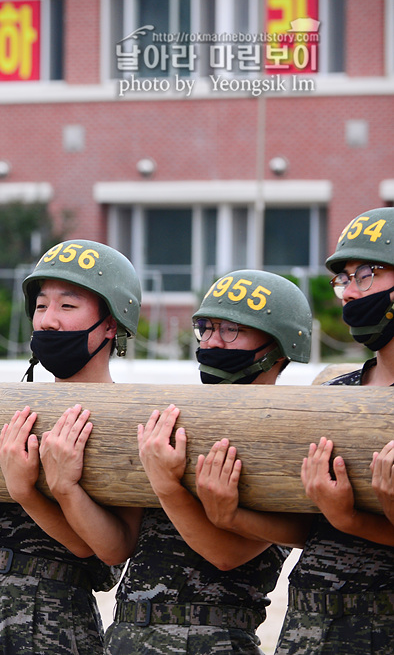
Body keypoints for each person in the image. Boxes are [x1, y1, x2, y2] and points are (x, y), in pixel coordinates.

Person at [0, 239, 141, 655]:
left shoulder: (129, 418)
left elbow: (110, 552)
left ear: (112, 323)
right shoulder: (11, 406)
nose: (48, 321)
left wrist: (33, 492)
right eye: (40, 306)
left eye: (67, 307)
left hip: (52, 620)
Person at [106, 269, 312, 654]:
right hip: (126, 634)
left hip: (213, 639)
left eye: (231, 330)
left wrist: (167, 485)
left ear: (279, 346)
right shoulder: (178, 417)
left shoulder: (286, 436)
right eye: (206, 328)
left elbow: (226, 555)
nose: (212, 342)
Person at [270, 207, 394, 653]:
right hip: (307, 626)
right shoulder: (333, 391)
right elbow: (309, 529)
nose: (349, 292)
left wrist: (352, 519)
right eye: (343, 278)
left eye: (366, 274)